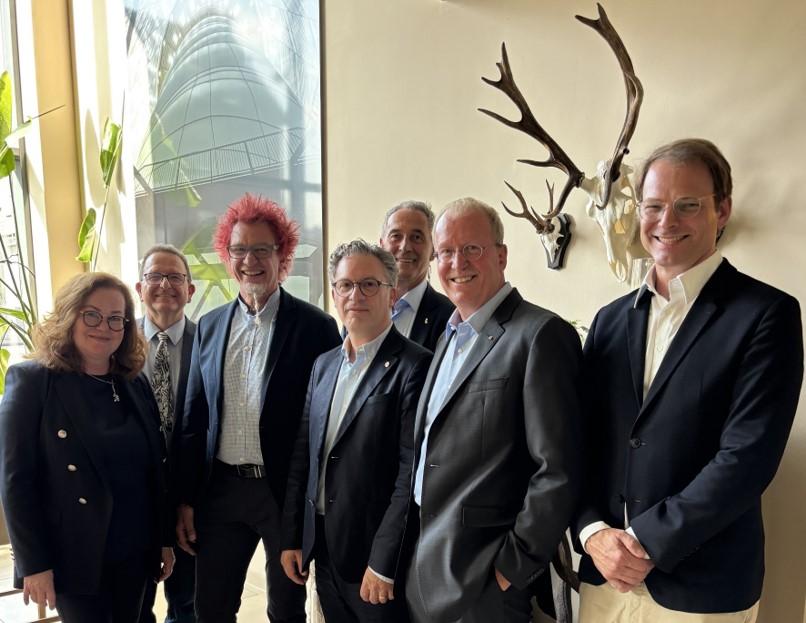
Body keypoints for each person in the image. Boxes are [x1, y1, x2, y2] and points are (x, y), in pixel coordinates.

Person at [573, 138, 803, 622]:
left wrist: (644, 541)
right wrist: (592, 532)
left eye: (688, 205)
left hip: (703, 587)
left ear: (722, 210)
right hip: (604, 579)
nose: (667, 221)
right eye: (653, 206)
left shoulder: (766, 314)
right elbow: (582, 442)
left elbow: (747, 457)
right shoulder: (609, 320)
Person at [405, 198, 582, 623]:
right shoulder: (448, 336)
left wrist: (510, 569)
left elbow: (558, 469)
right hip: (428, 568)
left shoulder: (540, 335)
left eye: (472, 248)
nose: (457, 263)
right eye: (446, 252)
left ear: (501, 255)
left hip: (487, 581)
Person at [175, 194, 341, 623]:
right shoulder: (209, 326)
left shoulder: (316, 327)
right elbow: (194, 418)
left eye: (261, 249)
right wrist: (186, 499)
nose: (249, 261)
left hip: (282, 493)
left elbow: (327, 422)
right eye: (239, 249)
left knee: (285, 610)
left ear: (282, 255)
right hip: (220, 491)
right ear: (227, 256)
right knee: (211, 609)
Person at [0, 272, 174, 623]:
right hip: (75, 553)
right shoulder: (34, 381)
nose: (103, 327)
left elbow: (154, 470)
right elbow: (16, 480)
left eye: (115, 318)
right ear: (69, 315)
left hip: (137, 548)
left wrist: (163, 538)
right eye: (91, 315)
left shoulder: (133, 380)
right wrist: (34, 564)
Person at [280, 240, 431, 623]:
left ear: (391, 294)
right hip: (324, 547)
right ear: (334, 294)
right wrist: (294, 536)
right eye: (345, 285)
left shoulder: (415, 366)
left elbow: (410, 473)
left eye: (369, 284)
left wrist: (383, 561)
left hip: (374, 558)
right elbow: (304, 454)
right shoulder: (324, 365)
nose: (355, 295)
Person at [136, 245, 197, 623]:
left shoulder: (210, 340)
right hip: (135, 494)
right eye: (155, 276)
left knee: (188, 603)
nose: (165, 285)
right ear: (139, 288)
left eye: (175, 277)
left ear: (190, 290)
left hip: (191, 490)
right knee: (135, 601)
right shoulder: (113, 341)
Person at [379, 200, 453, 352]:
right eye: (396, 236)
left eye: (416, 237)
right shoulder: (361, 306)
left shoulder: (449, 317)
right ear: (381, 246)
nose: (405, 247)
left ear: (433, 251)